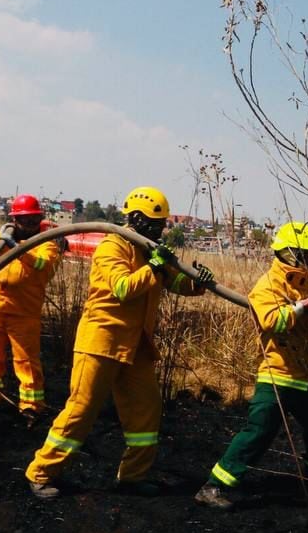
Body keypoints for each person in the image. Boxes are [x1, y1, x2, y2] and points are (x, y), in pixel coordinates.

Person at [25, 186, 214, 500]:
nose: (160, 228)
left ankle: (133, 477)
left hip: (136, 346)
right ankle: (41, 473)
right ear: (137, 218)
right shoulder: (111, 247)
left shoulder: (150, 249)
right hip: (101, 342)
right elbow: (124, 288)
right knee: (81, 411)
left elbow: (174, 280)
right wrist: (154, 266)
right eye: (155, 222)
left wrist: (197, 281)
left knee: (145, 412)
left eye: (162, 223)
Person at [196, 221, 308, 510]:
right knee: (260, 431)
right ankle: (214, 486)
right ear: (285, 252)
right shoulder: (267, 285)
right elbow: (271, 322)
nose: (304, 260)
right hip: (278, 374)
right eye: (299, 254)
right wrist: (303, 306)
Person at [0, 194, 61, 422]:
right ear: (14, 220)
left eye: (33, 219)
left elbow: (43, 266)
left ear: (39, 218)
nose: (28, 224)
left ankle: (31, 405)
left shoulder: (47, 244)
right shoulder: (1, 239)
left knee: (26, 361)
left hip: (23, 313)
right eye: (23, 220)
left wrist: (18, 249)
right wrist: (0, 240)